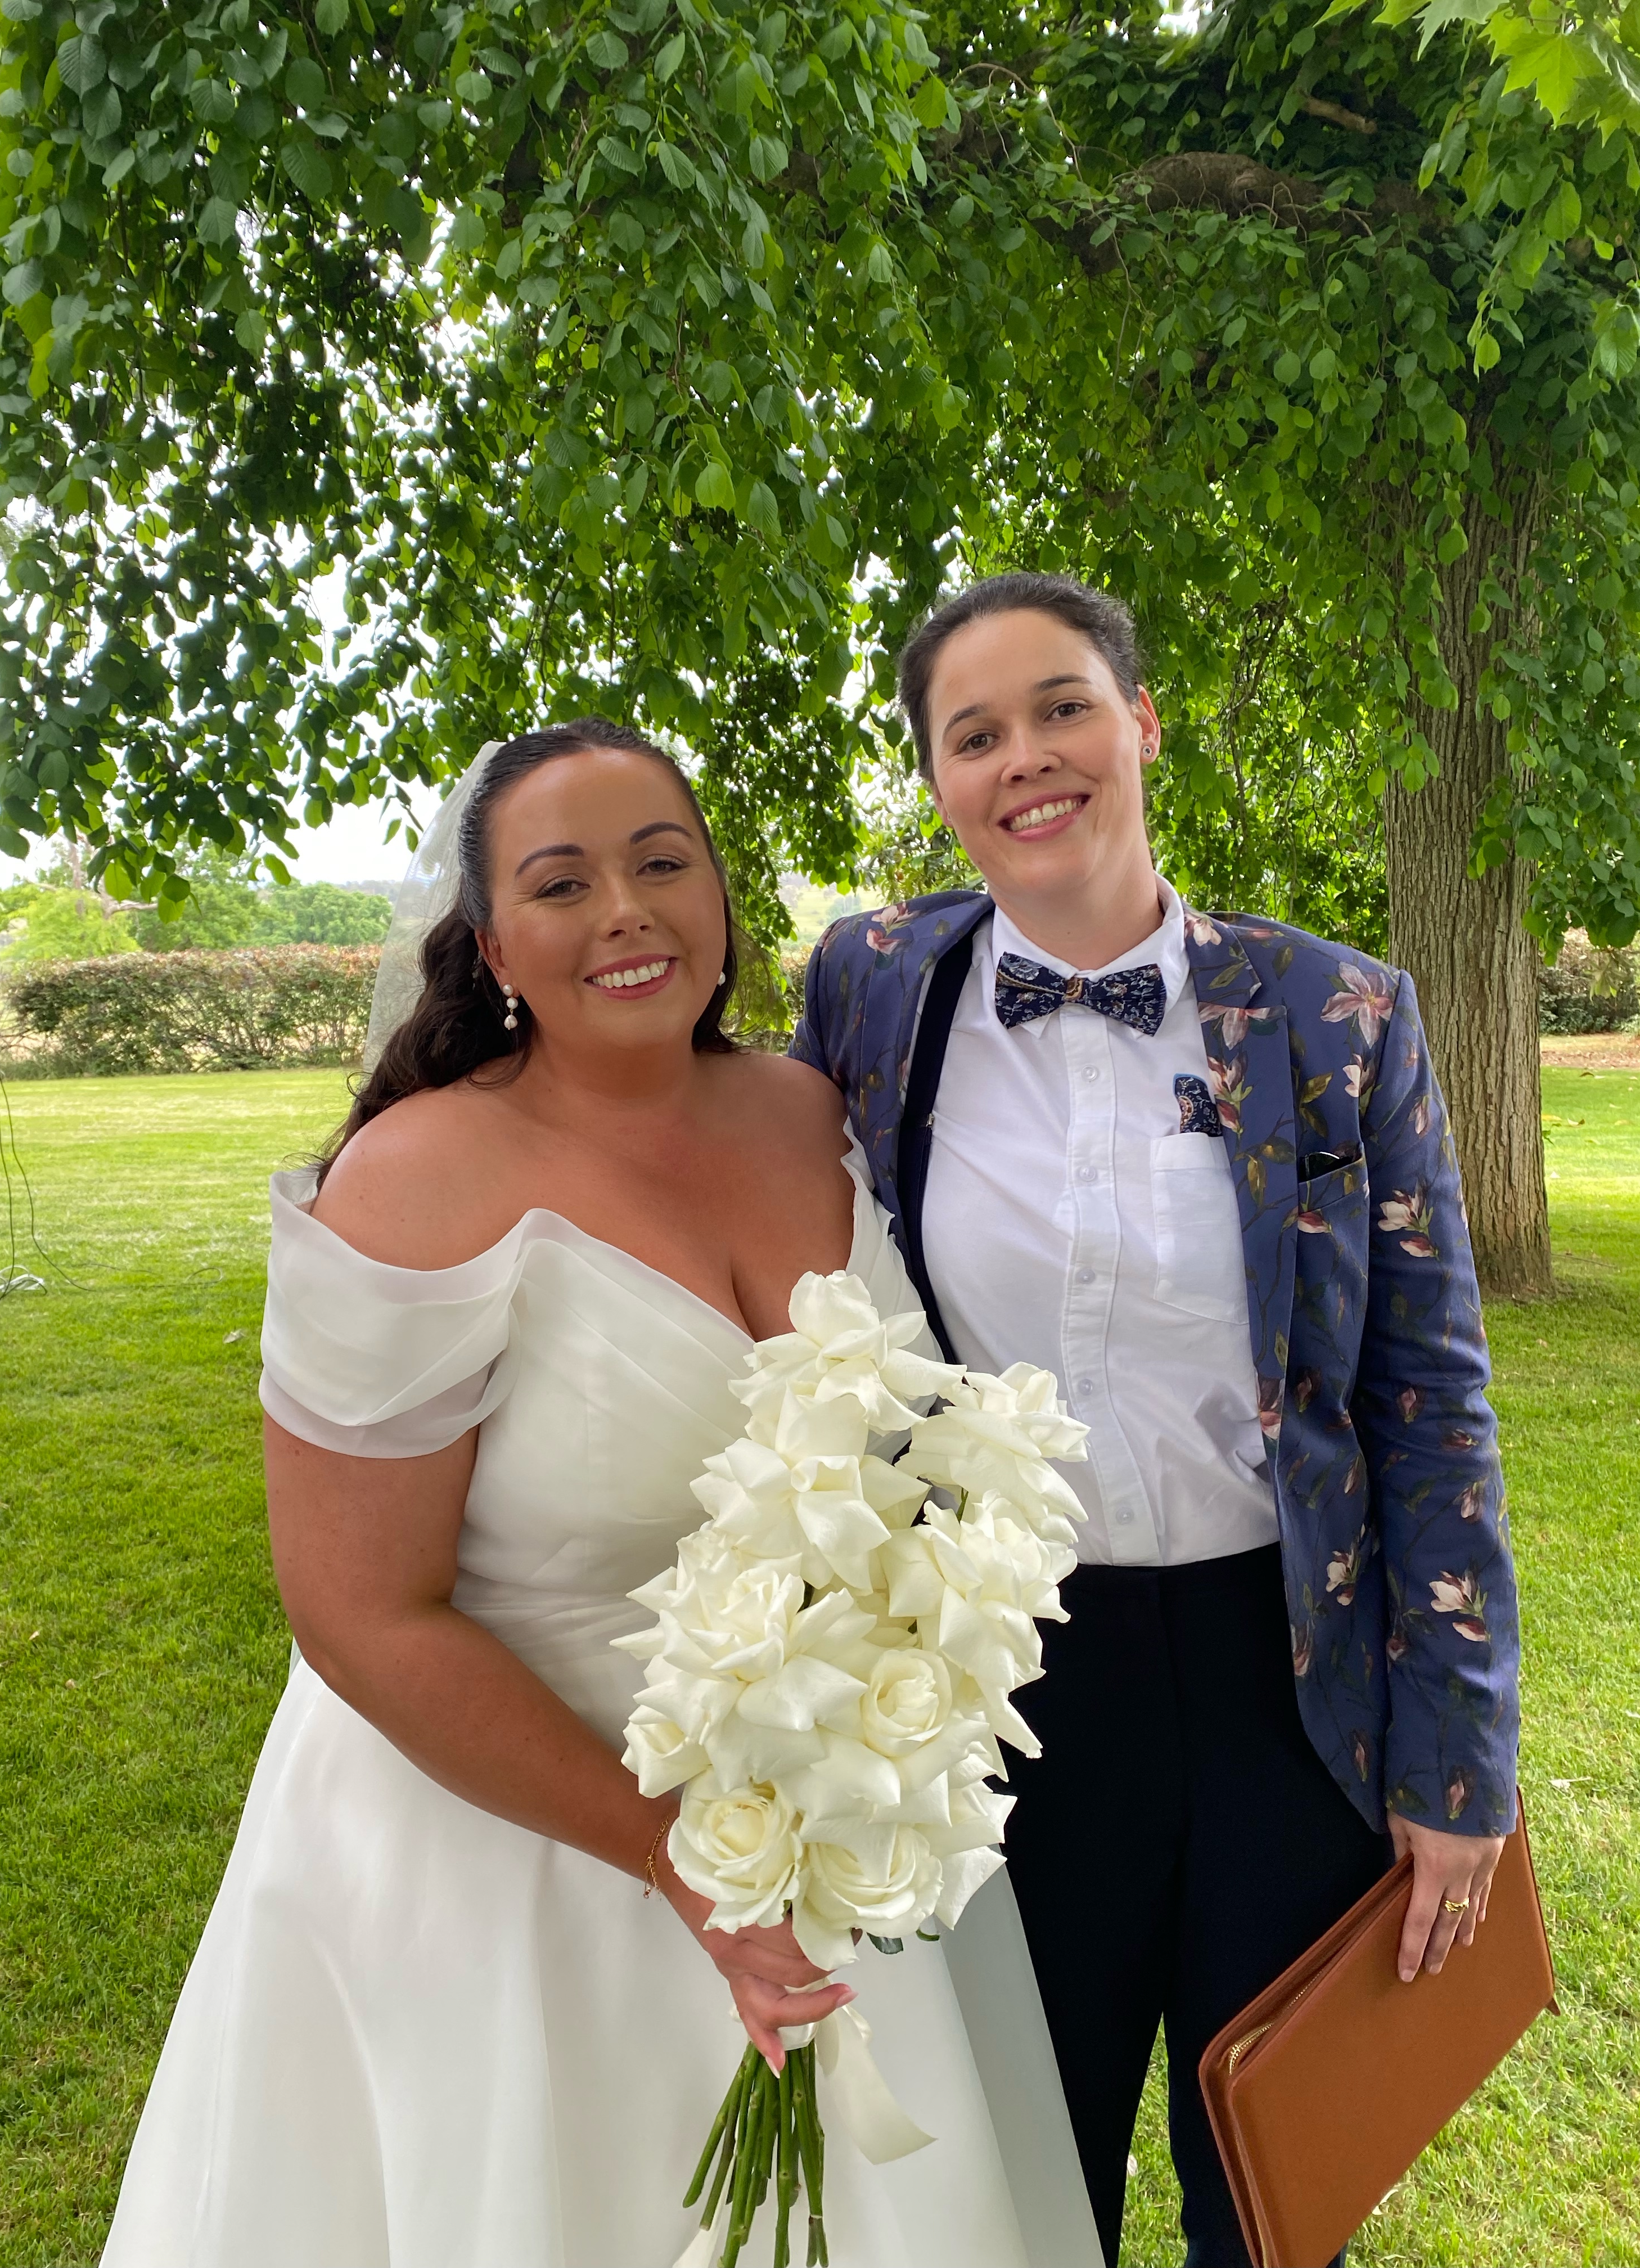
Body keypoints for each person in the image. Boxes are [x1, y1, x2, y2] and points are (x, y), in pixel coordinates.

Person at [100, 721, 1098, 2268]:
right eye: (563, 884)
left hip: (824, 1820)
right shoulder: (422, 1177)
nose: (625, 910)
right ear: (493, 943)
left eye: (661, 861)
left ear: (718, 896)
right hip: (510, 1865)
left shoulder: (802, 1112)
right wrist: (682, 1864)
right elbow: (358, 1611)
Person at [790, 574, 1521, 2268]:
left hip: (1284, 1678)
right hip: (997, 1687)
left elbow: (1433, 1402)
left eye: (1062, 708)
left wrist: (1460, 1756)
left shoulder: (1341, 1019)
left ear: (1140, 727)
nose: (1026, 759)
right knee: (1027, 2185)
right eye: (974, 734)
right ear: (936, 779)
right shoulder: (876, 989)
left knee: (1266, 2184)